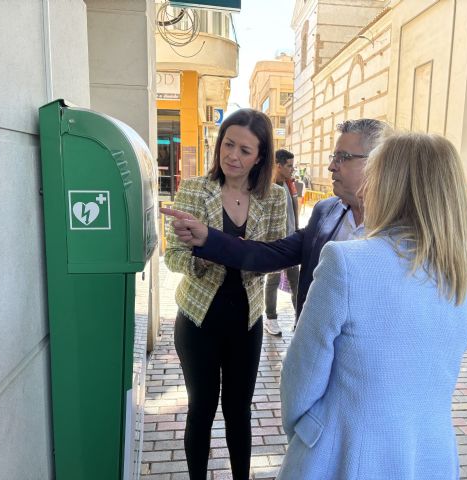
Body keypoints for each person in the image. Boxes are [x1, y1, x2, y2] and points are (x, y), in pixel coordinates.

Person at [277, 133, 467, 479]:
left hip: (344, 455)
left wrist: (307, 435)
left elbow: (300, 379)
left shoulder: (347, 263)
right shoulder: (461, 282)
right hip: (430, 458)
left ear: (389, 186)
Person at [162, 119, 392, 320]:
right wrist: (208, 238)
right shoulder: (326, 213)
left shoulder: (410, 229)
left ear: (376, 163)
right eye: (334, 156)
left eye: (343, 158)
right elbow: (270, 254)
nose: (332, 166)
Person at [163, 109, 287, 480]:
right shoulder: (195, 189)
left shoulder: (275, 197)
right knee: (201, 408)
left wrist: (236, 251)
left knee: (239, 412)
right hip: (198, 319)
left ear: (260, 157)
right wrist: (199, 256)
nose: (233, 155)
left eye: (245, 150)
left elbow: (274, 257)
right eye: (228, 144)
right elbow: (172, 256)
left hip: (245, 323)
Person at [263, 149, 300, 336]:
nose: (292, 169)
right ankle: (271, 319)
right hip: (276, 243)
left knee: (297, 283)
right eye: (289, 166)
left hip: (291, 240)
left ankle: (299, 320)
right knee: (272, 280)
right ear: (278, 165)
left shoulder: (289, 184)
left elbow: (294, 213)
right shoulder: (267, 187)